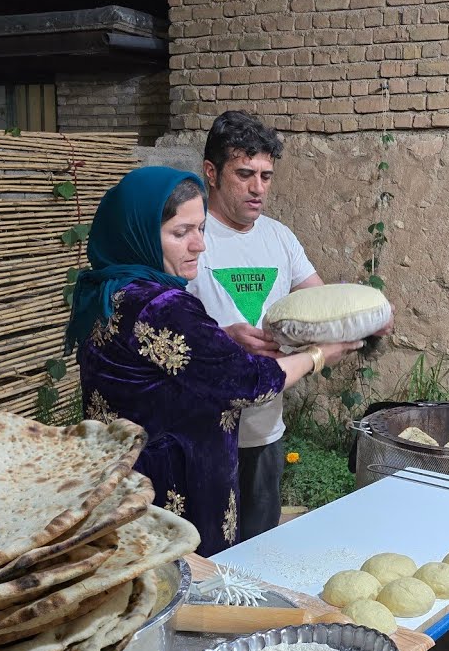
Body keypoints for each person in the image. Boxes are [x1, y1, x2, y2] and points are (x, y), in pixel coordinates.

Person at [64, 166, 362, 556]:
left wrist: (219, 338)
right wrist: (319, 354)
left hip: (122, 481)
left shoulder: (108, 288)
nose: (199, 245)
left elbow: (152, 357)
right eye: (180, 232)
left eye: (201, 229)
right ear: (138, 232)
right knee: (190, 588)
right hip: (173, 488)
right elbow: (251, 384)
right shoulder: (164, 304)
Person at [187, 110, 390, 542]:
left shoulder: (279, 237)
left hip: (263, 429)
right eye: (244, 174)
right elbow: (166, 331)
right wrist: (223, 338)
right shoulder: (189, 236)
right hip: (198, 434)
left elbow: (321, 303)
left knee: (257, 549)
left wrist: (370, 318)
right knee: (201, 556)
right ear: (211, 172)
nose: (258, 188)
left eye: (266, 175)